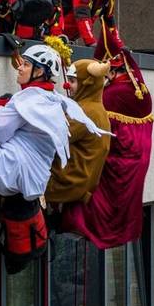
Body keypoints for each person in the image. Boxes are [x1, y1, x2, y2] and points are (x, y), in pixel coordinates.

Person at [0, 41, 109, 271]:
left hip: (8, 172)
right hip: (33, 182)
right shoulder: (57, 101)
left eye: (26, 65)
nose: (20, 68)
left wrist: (0, 108)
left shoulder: (25, 100)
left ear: (39, 72)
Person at [61, 49, 154, 248]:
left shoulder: (111, 94)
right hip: (138, 163)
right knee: (124, 207)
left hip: (118, 162)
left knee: (97, 201)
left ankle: (78, 224)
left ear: (112, 71)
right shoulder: (141, 90)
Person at [45, 59, 112, 206]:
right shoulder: (94, 107)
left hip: (68, 182)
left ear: (88, 84)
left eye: (73, 81)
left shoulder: (85, 112)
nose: (67, 85)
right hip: (80, 181)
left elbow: (51, 138)